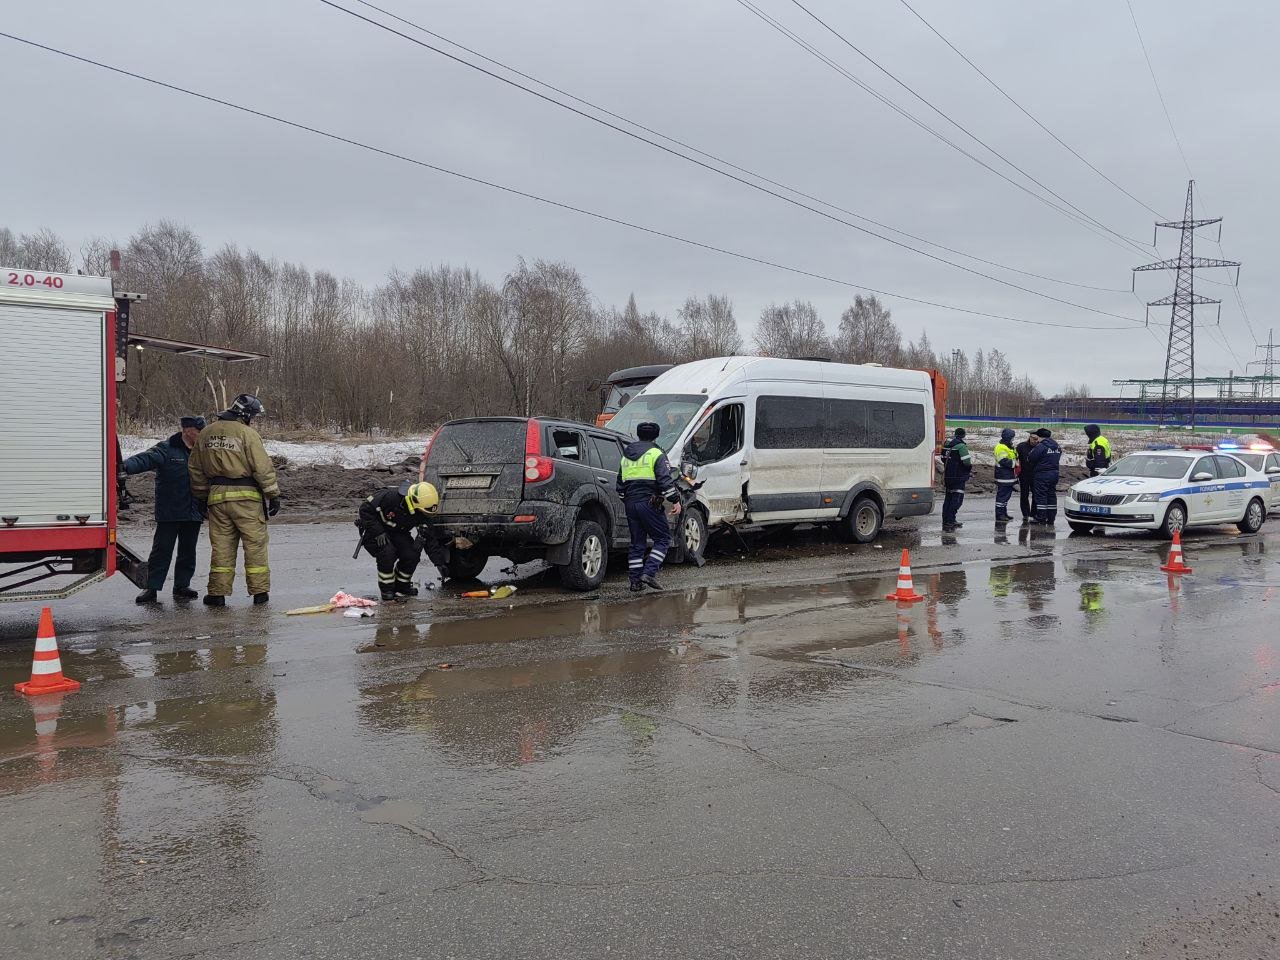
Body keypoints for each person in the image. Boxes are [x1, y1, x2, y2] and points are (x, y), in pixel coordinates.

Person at [188, 394, 280, 607]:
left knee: (221, 547)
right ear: (246, 415)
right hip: (247, 498)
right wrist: (273, 494)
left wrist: (201, 497)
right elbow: (262, 467)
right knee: (255, 545)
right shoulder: (247, 434)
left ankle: (217, 594)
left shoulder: (206, 433)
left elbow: (195, 468)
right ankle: (260, 593)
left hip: (217, 498)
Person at [120, 415, 207, 604]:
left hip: (194, 511)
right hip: (170, 511)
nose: (201, 434)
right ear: (186, 430)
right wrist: (124, 466)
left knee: (188, 552)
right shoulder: (167, 449)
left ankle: (182, 586)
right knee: (161, 552)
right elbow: (145, 459)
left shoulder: (203, 452)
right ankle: (151, 588)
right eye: (198, 431)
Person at [357, 481, 450, 600]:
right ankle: (387, 590)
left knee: (412, 554)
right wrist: (378, 532)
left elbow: (429, 538)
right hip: (374, 531)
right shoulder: (390, 497)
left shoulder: (422, 511)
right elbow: (364, 510)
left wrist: (439, 562)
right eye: (423, 511)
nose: (424, 515)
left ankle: (402, 587)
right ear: (414, 502)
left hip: (397, 532)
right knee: (387, 552)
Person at [617, 421, 681, 591]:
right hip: (649, 502)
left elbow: (620, 484)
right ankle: (649, 572)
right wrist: (675, 499)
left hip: (630, 502)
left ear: (638, 434)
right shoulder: (656, 453)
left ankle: (635, 582)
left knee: (637, 543)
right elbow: (665, 479)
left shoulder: (627, 453)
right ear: (656, 435)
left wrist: (628, 500)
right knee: (663, 539)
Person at [1025, 427, 1062, 525]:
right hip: (1054, 474)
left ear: (1040, 436)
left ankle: (1041, 517)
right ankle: (1051, 517)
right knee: (1051, 495)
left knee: (1041, 495)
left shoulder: (1041, 446)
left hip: (1042, 474)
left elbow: (1031, 458)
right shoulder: (1056, 445)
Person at [938, 427, 972, 532]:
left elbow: (943, 459)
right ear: (963, 435)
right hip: (958, 477)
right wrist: (968, 470)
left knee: (948, 498)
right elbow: (966, 462)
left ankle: (946, 520)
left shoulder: (947, 445)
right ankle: (951, 521)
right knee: (957, 499)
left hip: (948, 476)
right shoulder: (961, 447)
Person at [993, 428, 1018, 523]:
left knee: (1006, 497)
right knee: (1002, 497)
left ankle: (1004, 513)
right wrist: (1015, 463)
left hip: (1008, 476)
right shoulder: (1000, 447)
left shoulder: (1008, 446)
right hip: (1003, 476)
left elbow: (1014, 455)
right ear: (1008, 438)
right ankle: (1000, 515)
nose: (1013, 440)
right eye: (1012, 438)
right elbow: (1003, 461)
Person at [1015, 431, 1038, 523]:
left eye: (1036, 439)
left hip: (1036, 475)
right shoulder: (1022, 446)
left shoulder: (1040, 447)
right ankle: (1025, 514)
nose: (1034, 441)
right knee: (1024, 495)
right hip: (1024, 475)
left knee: (1036, 495)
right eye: (1033, 438)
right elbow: (1015, 457)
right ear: (1029, 437)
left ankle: (1033, 514)